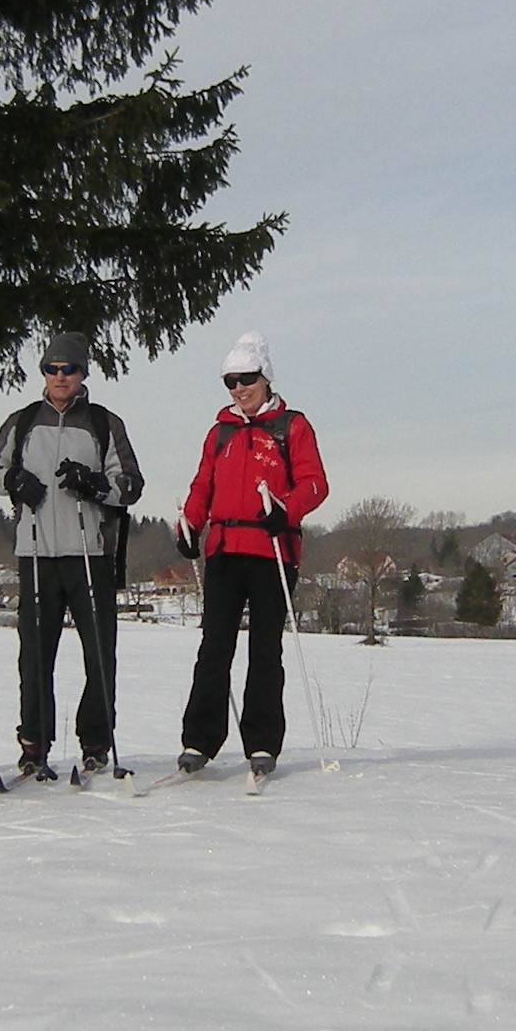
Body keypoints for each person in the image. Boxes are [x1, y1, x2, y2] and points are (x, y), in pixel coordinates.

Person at [0, 328, 144, 781]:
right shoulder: (23, 421)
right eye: (51, 369)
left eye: (68, 369)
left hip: (90, 553)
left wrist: (95, 484)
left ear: (82, 373)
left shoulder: (103, 423)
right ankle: (34, 743)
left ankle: (96, 741)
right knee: (34, 656)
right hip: (35, 553)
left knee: (99, 654)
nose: (59, 376)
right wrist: (13, 481)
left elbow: (131, 483)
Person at [175, 332, 328, 778]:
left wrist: (286, 510)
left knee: (264, 649)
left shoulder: (291, 427)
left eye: (246, 379)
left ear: (265, 378)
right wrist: (190, 525)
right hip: (224, 550)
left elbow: (315, 483)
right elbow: (202, 485)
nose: (239, 389)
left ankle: (261, 742)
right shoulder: (219, 432)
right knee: (214, 647)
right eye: (230, 381)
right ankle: (199, 739)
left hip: (271, 549)